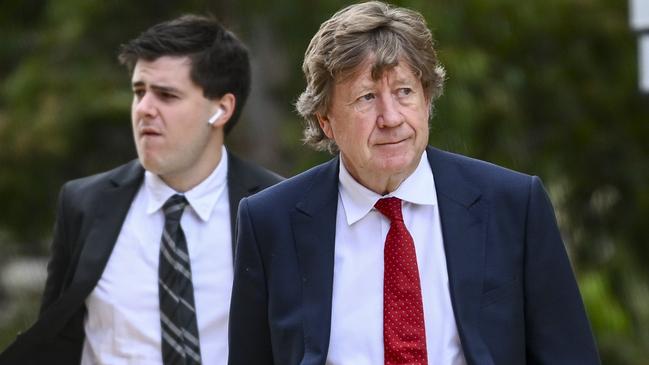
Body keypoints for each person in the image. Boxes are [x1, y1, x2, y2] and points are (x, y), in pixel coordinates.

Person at [227, 2, 600, 364]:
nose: (390, 117)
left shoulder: (514, 205)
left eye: (404, 92)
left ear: (426, 98)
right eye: (367, 97)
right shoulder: (269, 222)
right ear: (326, 120)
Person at [0, 14, 282, 365]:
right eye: (139, 92)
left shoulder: (277, 206)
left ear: (221, 109)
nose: (144, 109)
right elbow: (53, 339)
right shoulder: (84, 203)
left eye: (166, 95)